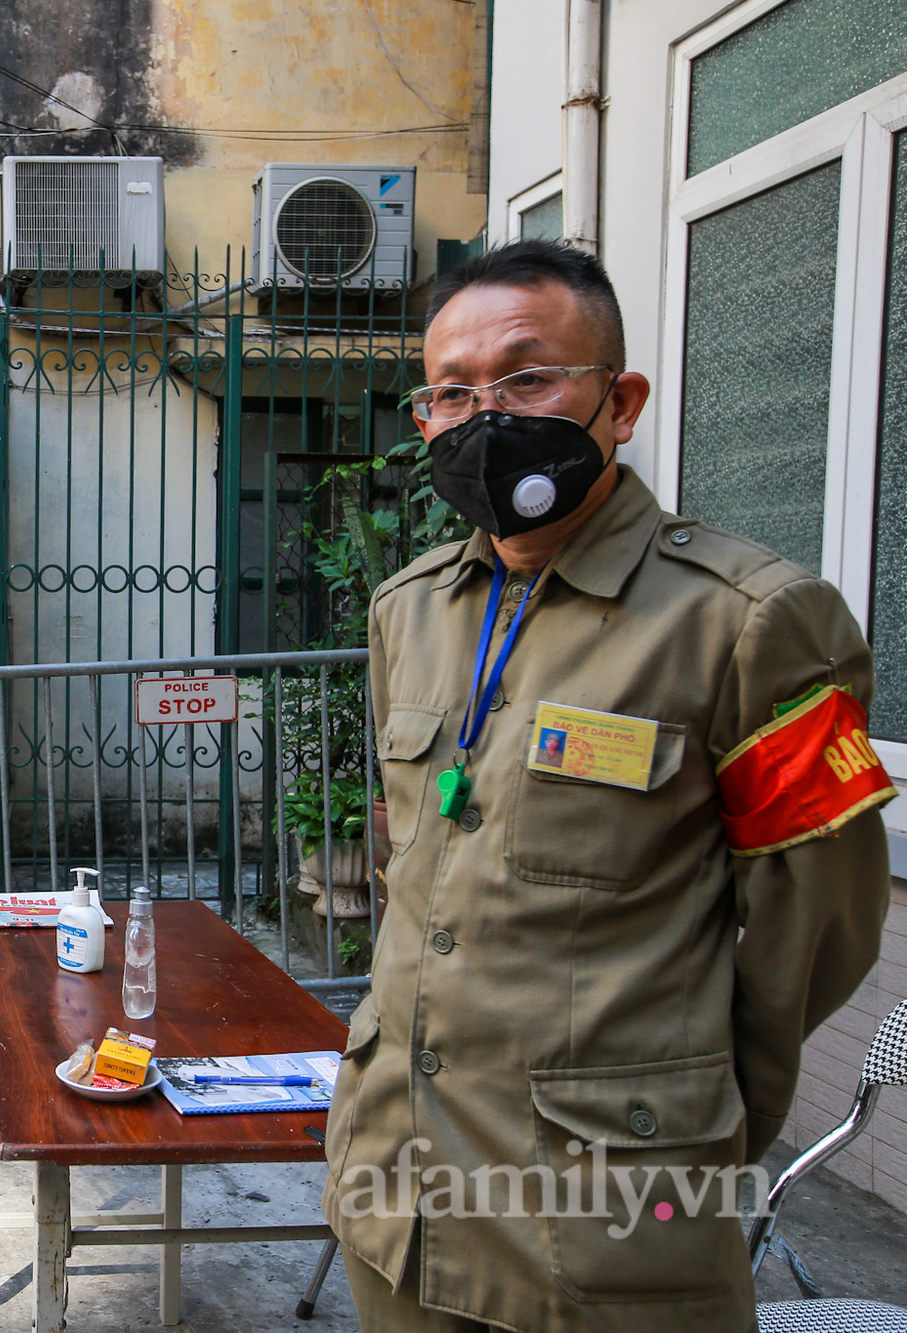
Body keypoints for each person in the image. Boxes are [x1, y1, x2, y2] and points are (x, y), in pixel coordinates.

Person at [322, 240, 896, 1332]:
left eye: (528, 378)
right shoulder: (409, 609)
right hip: (392, 1192)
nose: (485, 415)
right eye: (452, 392)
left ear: (618, 400)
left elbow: (814, 933)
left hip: (604, 1221)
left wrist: (684, 1126)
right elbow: (413, 869)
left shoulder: (747, 621)